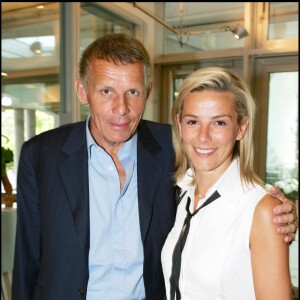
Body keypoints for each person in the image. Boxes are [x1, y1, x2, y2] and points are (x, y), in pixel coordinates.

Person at [12, 34, 297, 300]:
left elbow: (224, 179)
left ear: (147, 91)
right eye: (107, 91)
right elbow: (27, 257)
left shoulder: (172, 145)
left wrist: (274, 212)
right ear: (82, 91)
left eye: (133, 91)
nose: (121, 108)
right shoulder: (41, 154)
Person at [161, 67, 293, 299]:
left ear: (241, 128)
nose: (203, 136)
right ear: (180, 126)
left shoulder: (261, 210)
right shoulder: (184, 195)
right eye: (193, 121)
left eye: (219, 123)